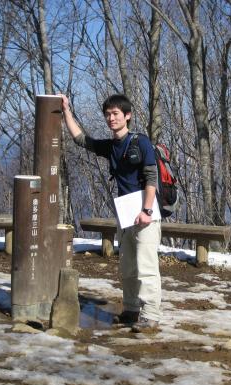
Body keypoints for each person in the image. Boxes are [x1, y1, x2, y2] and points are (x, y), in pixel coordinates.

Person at [60, 93, 162, 332]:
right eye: (107, 114)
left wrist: (146, 210)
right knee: (127, 266)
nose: (111, 118)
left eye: (115, 113)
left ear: (127, 116)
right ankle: (131, 310)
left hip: (145, 213)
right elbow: (81, 139)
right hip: (125, 213)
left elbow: (151, 177)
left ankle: (151, 316)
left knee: (146, 267)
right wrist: (66, 110)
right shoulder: (111, 146)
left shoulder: (141, 142)